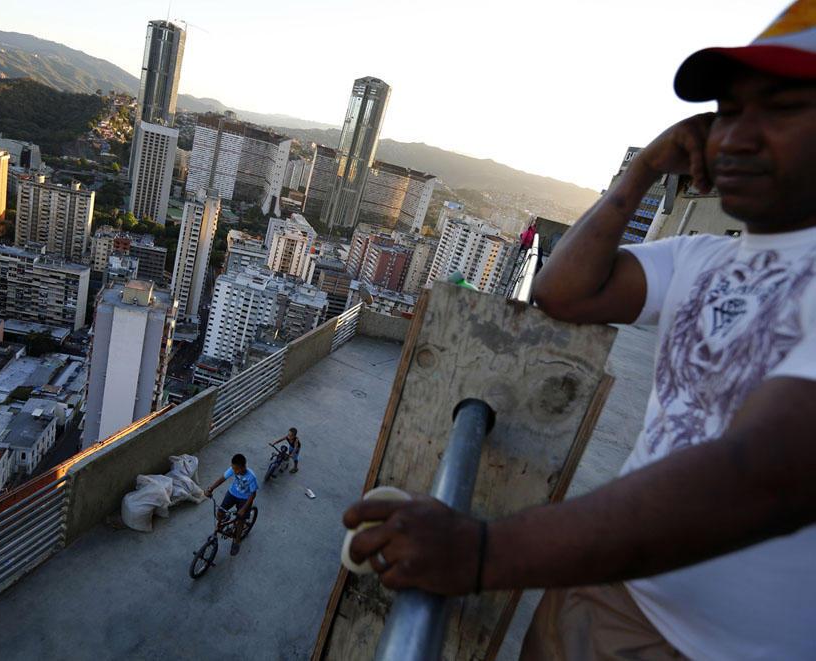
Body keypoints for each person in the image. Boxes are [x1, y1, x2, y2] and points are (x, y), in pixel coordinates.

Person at [343, 3, 816, 658]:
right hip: (602, 586)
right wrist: (644, 167)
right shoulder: (703, 257)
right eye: (728, 111)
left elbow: (770, 472)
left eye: (783, 107)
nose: (734, 138)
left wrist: (481, 551)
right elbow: (563, 291)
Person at [204, 453, 258, 555]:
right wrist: (210, 489)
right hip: (232, 494)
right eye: (233, 468)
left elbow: (253, 494)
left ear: (243, 467)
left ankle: (237, 541)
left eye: (236, 469)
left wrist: (243, 509)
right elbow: (222, 479)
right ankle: (227, 519)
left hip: (245, 499)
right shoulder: (233, 470)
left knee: (241, 521)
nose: (234, 471)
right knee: (220, 513)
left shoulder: (251, 477)